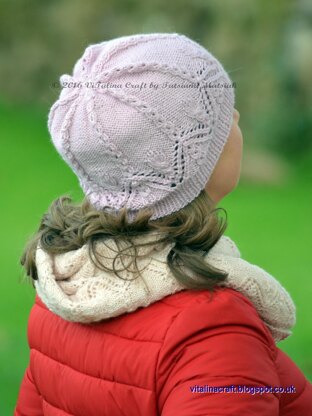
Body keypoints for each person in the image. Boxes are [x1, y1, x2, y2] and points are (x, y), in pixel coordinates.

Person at [14, 33, 312, 415]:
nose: (236, 119)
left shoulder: (64, 288)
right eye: (225, 115)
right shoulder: (212, 330)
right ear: (199, 161)